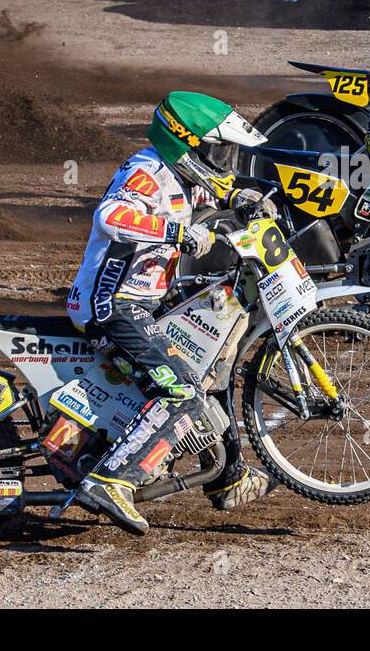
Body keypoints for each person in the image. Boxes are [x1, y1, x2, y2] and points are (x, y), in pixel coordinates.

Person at [66, 91, 276, 534]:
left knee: (211, 360)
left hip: (145, 300)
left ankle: (226, 476)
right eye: (218, 151)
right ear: (187, 144)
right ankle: (112, 480)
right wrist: (174, 231)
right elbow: (111, 215)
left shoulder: (179, 171)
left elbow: (221, 188)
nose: (224, 160)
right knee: (181, 391)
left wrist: (249, 200)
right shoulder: (147, 171)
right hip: (112, 306)